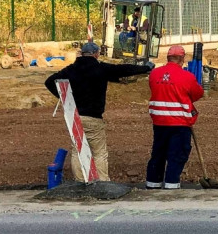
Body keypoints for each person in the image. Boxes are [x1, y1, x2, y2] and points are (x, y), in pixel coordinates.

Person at [44, 41, 153, 182]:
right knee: (99, 153)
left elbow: (49, 81)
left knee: (78, 150)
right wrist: (145, 68)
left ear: (82, 54)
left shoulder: (71, 69)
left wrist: (65, 98)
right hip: (94, 118)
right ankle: (102, 183)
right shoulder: (100, 68)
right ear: (96, 54)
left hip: (75, 117)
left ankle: (80, 181)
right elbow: (122, 69)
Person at [146, 44, 204, 189]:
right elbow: (197, 94)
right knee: (177, 154)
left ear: (168, 58)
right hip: (180, 122)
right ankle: (171, 184)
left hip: (159, 121)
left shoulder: (154, 74)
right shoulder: (187, 76)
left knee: (158, 153)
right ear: (181, 59)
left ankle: (153, 183)